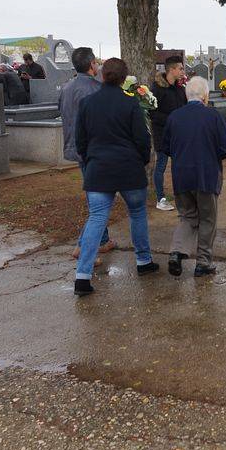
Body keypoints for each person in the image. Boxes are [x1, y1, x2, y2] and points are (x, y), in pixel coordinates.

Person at [72, 58, 157, 296]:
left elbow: (80, 139)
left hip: (99, 168)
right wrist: (142, 160)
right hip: (129, 167)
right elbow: (142, 138)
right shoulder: (130, 104)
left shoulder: (87, 103)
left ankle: (82, 276)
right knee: (137, 213)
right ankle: (143, 261)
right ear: (123, 78)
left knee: (97, 218)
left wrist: (89, 159)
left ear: (102, 74)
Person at [162, 77, 226, 277]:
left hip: (181, 175)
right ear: (205, 96)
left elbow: (166, 147)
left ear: (187, 96)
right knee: (208, 219)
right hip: (206, 175)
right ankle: (203, 263)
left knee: (187, 216)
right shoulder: (213, 116)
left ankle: (177, 251)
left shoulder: (174, 117)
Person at [60, 47, 116, 267]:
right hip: (92, 150)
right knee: (99, 203)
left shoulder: (67, 87)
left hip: (76, 147)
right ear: (92, 64)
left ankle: (102, 239)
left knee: (96, 197)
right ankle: (83, 246)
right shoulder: (95, 89)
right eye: (96, 62)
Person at [149, 55, 187, 212]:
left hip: (179, 134)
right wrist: (172, 120)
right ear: (171, 70)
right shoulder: (157, 89)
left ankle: (181, 195)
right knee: (161, 165)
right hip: (162, 134)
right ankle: (160, 198)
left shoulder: (180, 89)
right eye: (180, 68)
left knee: (179, 165)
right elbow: (152, 113)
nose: (183, 71)